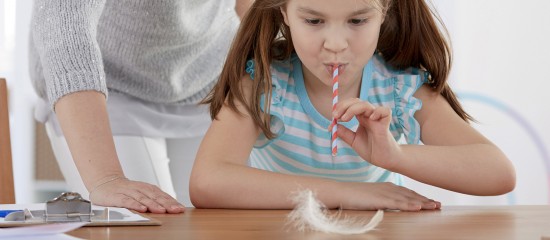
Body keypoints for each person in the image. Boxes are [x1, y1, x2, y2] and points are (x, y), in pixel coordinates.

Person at [190, 0, 516, 210]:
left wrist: (395, 156)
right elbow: (207, 182)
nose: (335, 44)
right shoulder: (263, 82)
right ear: (284, 12)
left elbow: (497, 173)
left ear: (384, 10)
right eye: (314, 21)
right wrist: (345, 193)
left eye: (357, 21)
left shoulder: (398, 88)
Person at [29, 0, 253, 213]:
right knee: (140, 225)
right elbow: (65, 25)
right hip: (104, 86)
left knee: (219, 228)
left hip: (206, 78)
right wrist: (106, 178)